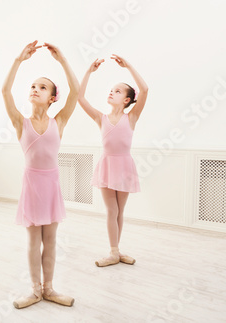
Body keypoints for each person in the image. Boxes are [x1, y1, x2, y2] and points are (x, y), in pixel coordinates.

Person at [2, 41, 79, 309]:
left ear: (52, 98)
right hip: (32, 186)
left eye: (42, 87)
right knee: (34, 241)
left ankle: (50, 288)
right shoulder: (20, 122)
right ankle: (35, 290)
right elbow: (4, 91)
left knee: (51, 240)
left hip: (52, 185)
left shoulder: (59, 121)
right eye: (33, 86)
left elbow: (76, 93)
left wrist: (63, 61)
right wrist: (18, 60)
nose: (35, 89)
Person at [77, 54, 148, 267]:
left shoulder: (131, 117)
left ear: (127, 100)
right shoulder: (102, 118)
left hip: (124, 166)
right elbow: (80, 98)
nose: (112, 92)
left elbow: (144, 90)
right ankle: (113, 251)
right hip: (107, 166)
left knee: (120, 211)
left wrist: (129, 66)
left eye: (117, 91)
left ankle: (117, 251)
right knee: (112, 210)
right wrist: (89, 71)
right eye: (112, 89)